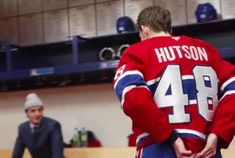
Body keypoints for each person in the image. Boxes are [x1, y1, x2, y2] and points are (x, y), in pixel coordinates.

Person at [113, 6, 235, 158]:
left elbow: (132, 98)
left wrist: (171, 137)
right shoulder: (208, 51)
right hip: (206, 151)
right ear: (169, 28)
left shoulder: (137, 52)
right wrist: (217, 133)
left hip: (160, 150)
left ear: (144, 30)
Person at [12, 93, 64, 158]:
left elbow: (57, 154)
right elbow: (17, 154)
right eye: (33, 111)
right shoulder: (23, 128)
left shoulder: (53, 125)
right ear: (27, 113)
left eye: (40, 110)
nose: (37, 114)